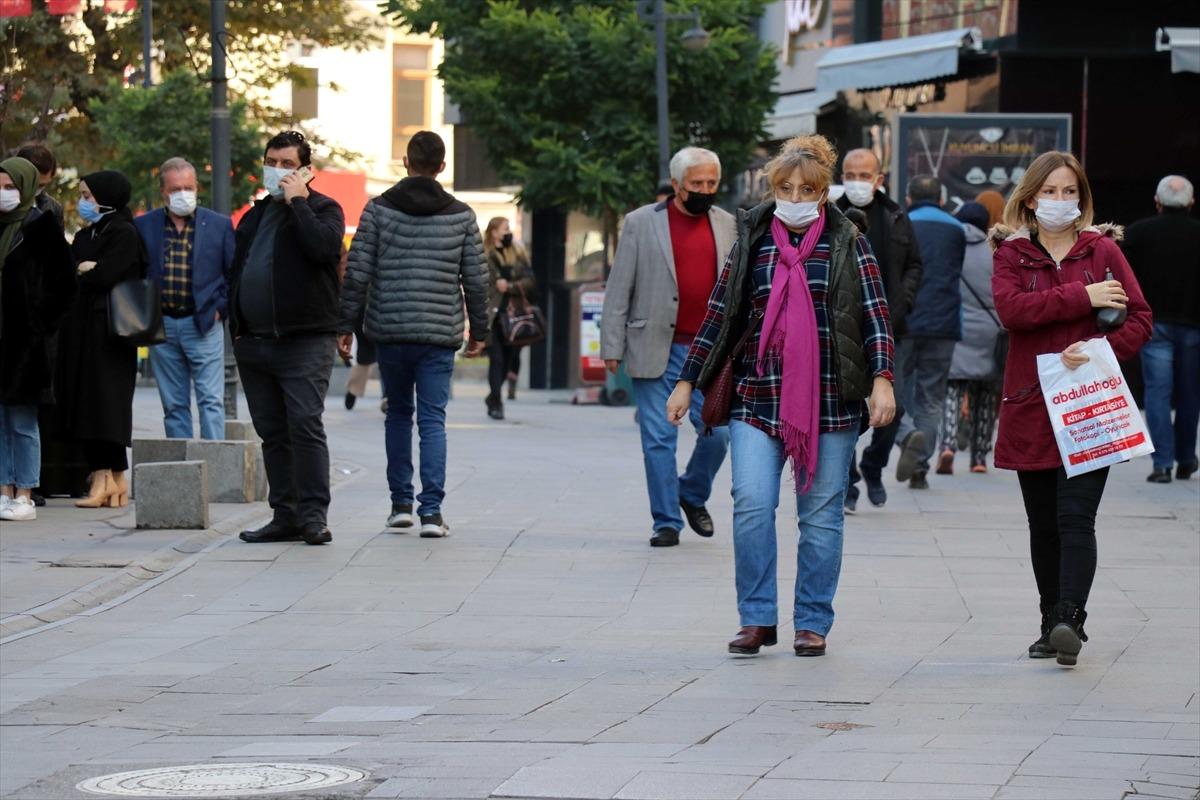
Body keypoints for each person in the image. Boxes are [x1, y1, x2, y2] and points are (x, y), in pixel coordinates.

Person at [671, 135, 895, 656]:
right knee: (751, 503)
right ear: (773, 188)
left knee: (820, 516)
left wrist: (882, 378)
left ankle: (812, 621)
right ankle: (757, 617)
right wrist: (687, 380)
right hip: (757, 392)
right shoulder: (752, 236)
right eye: (786, 187)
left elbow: (875, 314)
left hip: (831, 398)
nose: (795, 195)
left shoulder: (849, 239)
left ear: (823, 192)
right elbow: (720, 315)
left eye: (807, 188)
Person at [991, 150, 1152, 667]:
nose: (1060, 201)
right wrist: (1082, 297)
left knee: (1076, 518)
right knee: (1043, 524)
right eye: (1050, 192)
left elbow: (1140, 317)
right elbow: (1013, 312)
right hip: (1032, 404)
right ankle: (1047, 622)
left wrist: (1103, 353)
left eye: (1069, 192)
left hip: (1091, 405)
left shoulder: (1103, 251)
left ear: (1082, 198)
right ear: (1031, 197)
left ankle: (1069, 620)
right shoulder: (1011, 254)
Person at [338, 131, 488, 538]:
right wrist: (480, 330)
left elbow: (357, 274)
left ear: (406, 163)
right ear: (442, 167)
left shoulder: (378, 211)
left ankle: (400, 504)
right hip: (438, 335)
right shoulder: (461, 216)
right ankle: (432, 513)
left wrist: (345, 327)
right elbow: (476, 279)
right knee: (433, 420)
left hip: (391, 330)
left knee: (399, 415)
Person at [601, 147, 737, 547]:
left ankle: (691, 493)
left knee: (719, 432)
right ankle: (666, 522)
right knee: (659, 437)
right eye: (697, 184)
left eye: (712, 183)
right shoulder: (642, 223)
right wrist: (612, 344)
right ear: (676, 185)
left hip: (709, 353)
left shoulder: (729, 224)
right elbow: (619, 286)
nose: (706, 190)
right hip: (654, 345)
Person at [231, 131, 345, 546]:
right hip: (255, 342)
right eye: (271, 161)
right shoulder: (255, 215)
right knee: (273, 432)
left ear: (305, 171)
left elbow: (323, 249)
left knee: (304, 425)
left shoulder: (322, 208)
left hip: (304, 340)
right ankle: (285, 514)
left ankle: (314, 516)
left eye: (286, 164)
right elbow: (237, 269)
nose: (276, 171)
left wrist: (298, 201)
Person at [52, 171, 145, 508]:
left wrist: (91, 270)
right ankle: (114, 479)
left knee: (106, 404)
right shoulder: (88, 234)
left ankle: (105, 477)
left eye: (89, 195)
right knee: (88, 401)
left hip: (111, 333)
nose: (83, 202)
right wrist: (85, 269)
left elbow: (107, 274)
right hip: (83, 330)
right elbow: (76, 272)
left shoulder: (124, 233)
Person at [837, 148, 923, 509]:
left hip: (890, 327)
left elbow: (916, 266)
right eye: (851, 175)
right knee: (846, 410)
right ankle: (850, 481)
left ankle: (873, 465)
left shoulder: (896, 216)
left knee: (895, 407)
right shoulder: (829, 214)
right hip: (843, 330)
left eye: (864, 175)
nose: (857, 182)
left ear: (879, 179)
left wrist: (902, 301)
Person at [133, 157, 235, 440]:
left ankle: (215, 467)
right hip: (162, 325)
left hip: (202, 323)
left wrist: (219, 309)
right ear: (163, 191)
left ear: (197, 187)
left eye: (188, 188)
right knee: (174, 405)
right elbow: (138, 273)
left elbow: (232, 273)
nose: (183, 194)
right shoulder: (144, 226)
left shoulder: (218, 225)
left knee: (211, 401)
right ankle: (181, 466)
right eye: (175, 189)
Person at [0, 157, 76, 521]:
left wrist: (39, 323)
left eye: (11, 186)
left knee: (22, 421)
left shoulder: (41, 227)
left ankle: (25, 492)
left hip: (25, 344)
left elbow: (65, 286)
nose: (4, 194)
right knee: (1, 421)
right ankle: (3, 489)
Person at [1122, 175, 1200, 483]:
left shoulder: (1138, 233)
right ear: (1191, 203)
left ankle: (1162, 463)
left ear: (1157, 202)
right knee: (1189, 393)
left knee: (1157, 392)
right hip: (1194, 325)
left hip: (1153, 325)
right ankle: (1185, 458)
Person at [892, 175, 965, 489]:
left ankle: (907, 433)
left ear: (908, 198)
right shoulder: (956, 229)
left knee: (898, 390)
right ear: (941, 199)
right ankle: (921, 468)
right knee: (932, 397)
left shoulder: (901, 223)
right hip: (944, 323)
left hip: (905, 321)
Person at [936, 202, 1002, 474]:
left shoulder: (949, 247)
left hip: (957, 325)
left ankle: (948, 445)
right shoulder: (996, 252)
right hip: (990, 330)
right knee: (984, 396)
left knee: (951, 390)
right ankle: (979, 458)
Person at [483, 216, 535, 419]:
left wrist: (511, 286)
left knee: (507, 360)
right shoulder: (484, 254)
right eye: (505, 229)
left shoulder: (517, 253)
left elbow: (531, 280)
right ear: (494, 231)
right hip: (493, 316)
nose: (508, 232)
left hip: (514, 316)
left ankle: (492, 396)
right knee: (495, 360)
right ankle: (496, 402)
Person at [15, 143, 64, 231]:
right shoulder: (4, 201)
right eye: (30, 183)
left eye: (41, 185)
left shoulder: (54, 209)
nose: (34, 189)